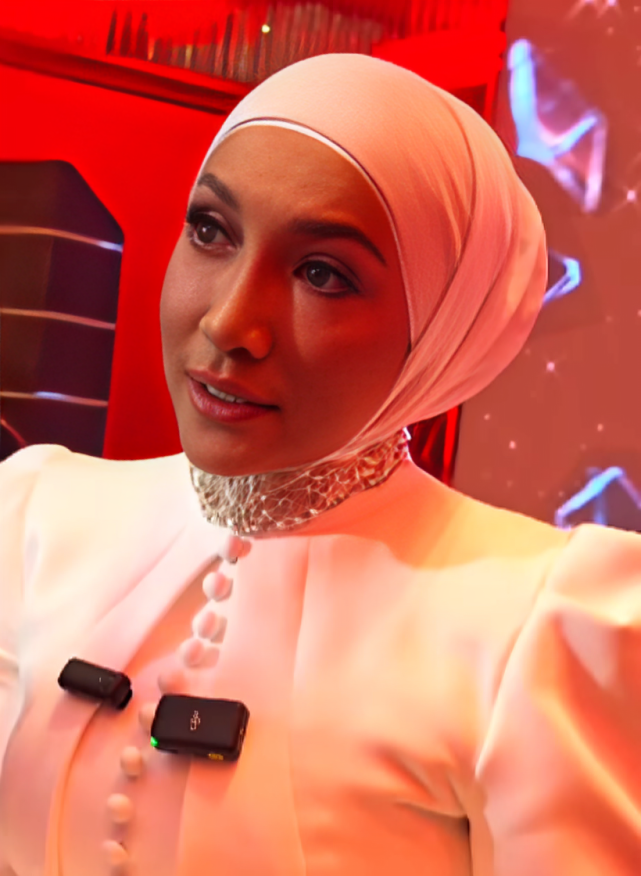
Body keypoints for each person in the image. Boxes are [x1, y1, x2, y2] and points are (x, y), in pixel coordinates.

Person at [1, 52, 640, 876]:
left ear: (440, 326)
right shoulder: (38, 517)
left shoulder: (534, 623)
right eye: (211, 231)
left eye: (321, 274)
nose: (230, 323)